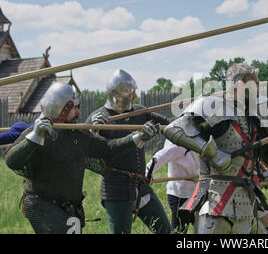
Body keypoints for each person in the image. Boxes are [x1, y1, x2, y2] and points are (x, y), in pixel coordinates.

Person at [163, 63, 268, 234]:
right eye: (255, 84)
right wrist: (213, 153)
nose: (258, 89)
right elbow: (173, 129)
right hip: (216, 201)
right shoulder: (214, 106)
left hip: (245, 203)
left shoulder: (252, 119)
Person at [5, 82, 159, 234]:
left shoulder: (79, 134)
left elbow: (108, 148)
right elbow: (12, 161)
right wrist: (36, 136)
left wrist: (138, 137)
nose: (78, 113)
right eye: (74, 108)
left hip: (71, 208)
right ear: (61, 108)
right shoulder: (37, 132)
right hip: (42, 204)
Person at [86, 69, 172, 234]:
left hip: (141, 187)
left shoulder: (139, 112)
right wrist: (94, 129)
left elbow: (169, 126)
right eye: (132, 93)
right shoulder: (100, 117)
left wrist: (191, 116)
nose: (135, 96)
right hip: (116, 189)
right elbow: (88, 147)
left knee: (166, 231)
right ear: (119, 95)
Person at [146, 139, 200, 233]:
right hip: (179, 193)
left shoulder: (188, 146)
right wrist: (148, 172)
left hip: (189, 192)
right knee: (179, 229)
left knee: (189, 225)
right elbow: (161, 156)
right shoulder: (177, 145)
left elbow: (193, 169)